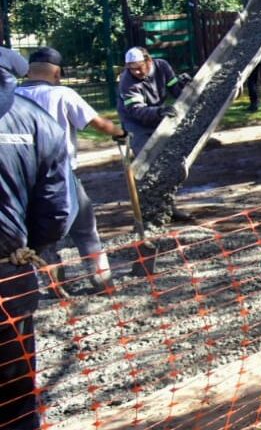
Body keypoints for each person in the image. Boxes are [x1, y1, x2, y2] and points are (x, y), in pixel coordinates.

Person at [0, 46, 74, 430]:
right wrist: (26, 248)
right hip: (9, 277)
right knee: (14, 396)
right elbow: (57, 211)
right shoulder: (36, 121)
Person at [16, 47, 126, 293]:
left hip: (23, 179)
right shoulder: (63, 94)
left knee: (42, 235)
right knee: (85, 230)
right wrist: (121, 133)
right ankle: (103, 284)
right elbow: (97, 123)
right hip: (59, 175)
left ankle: (56, 288)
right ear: (57, 73)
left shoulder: (11, 95)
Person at [116, 46, 189, 155]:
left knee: (172, 147)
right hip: (135, 121)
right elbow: (136, 110)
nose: (136, 72)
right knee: (146, 154)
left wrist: (185, 85)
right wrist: (159, 112)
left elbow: (175, 90)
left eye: (139, 67)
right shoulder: (127, 82)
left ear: (149, 61)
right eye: (131, 69)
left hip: (156, 112)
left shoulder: (162, 66)